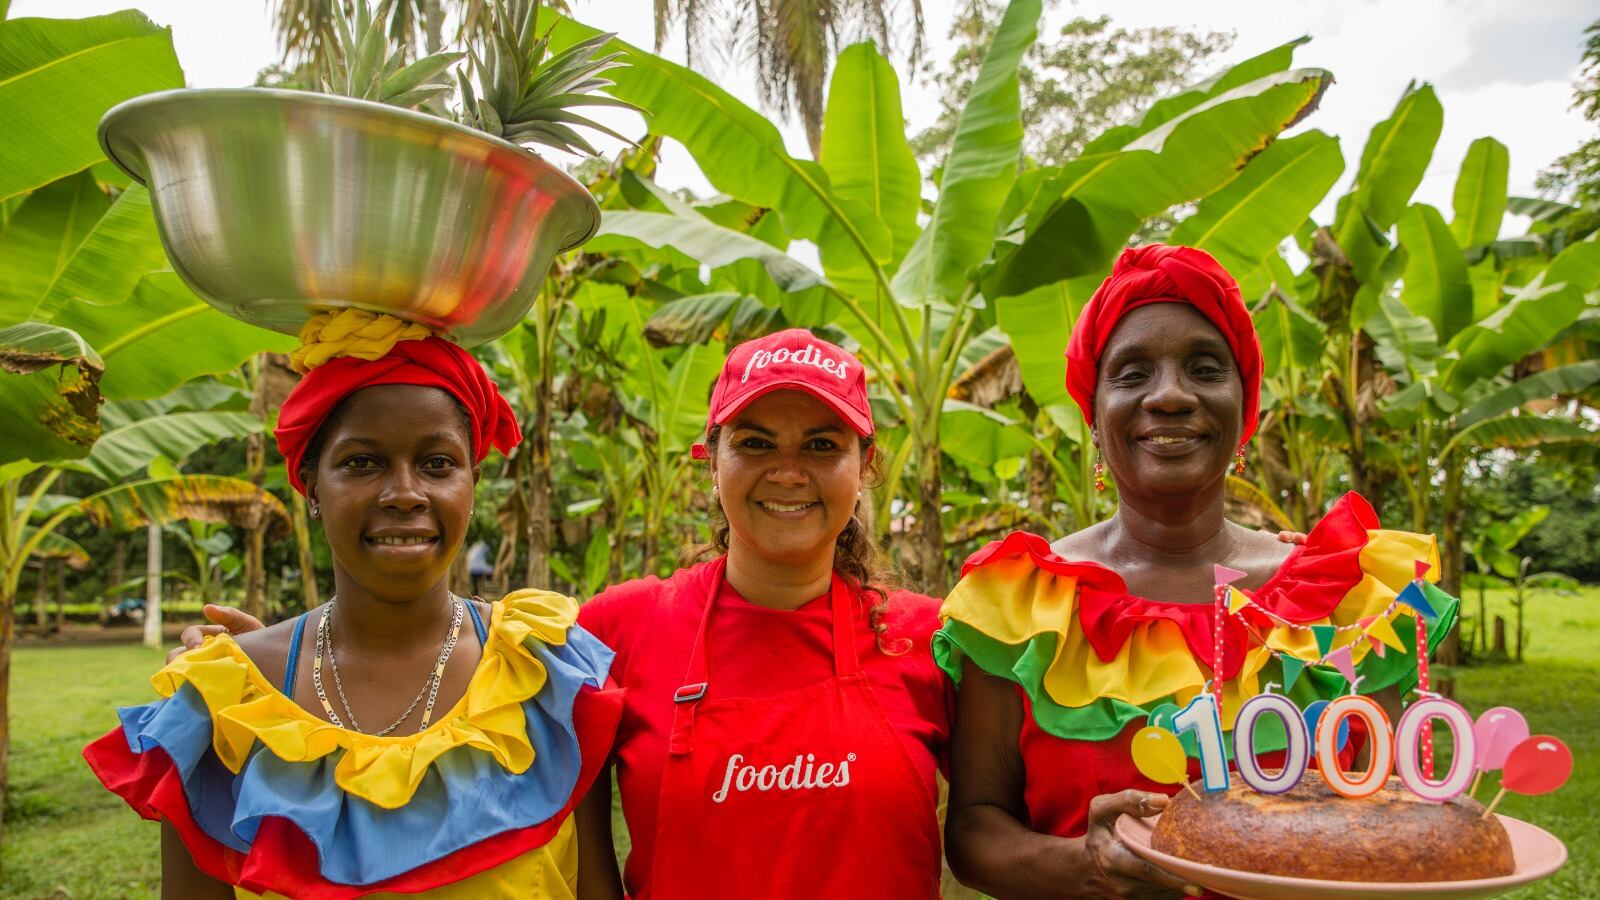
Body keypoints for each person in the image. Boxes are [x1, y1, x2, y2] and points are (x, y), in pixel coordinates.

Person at [938, 246, 1459, 899]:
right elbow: (975, 829)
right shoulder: (1018, 602)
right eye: (1131, 374)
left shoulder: (1348, 598)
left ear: (1245, 406)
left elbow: (1399, 811)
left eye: (1206, 368)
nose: (1172, 395)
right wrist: (1084, 866)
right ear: (1093, 414)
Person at [84, 310, 622, 898]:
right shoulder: (225, 709)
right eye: (362, 462)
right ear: (312, 486)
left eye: (437, 463)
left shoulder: (545, 674)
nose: (404, 493)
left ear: (473, 481)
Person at [574, 329, 952, 899]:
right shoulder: (616, 629)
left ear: (865, 466)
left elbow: (1001, 826)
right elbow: (579, 842)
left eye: (822, 446)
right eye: (755, 443)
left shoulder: (933, 639)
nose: (788, 472)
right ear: (712, 461)